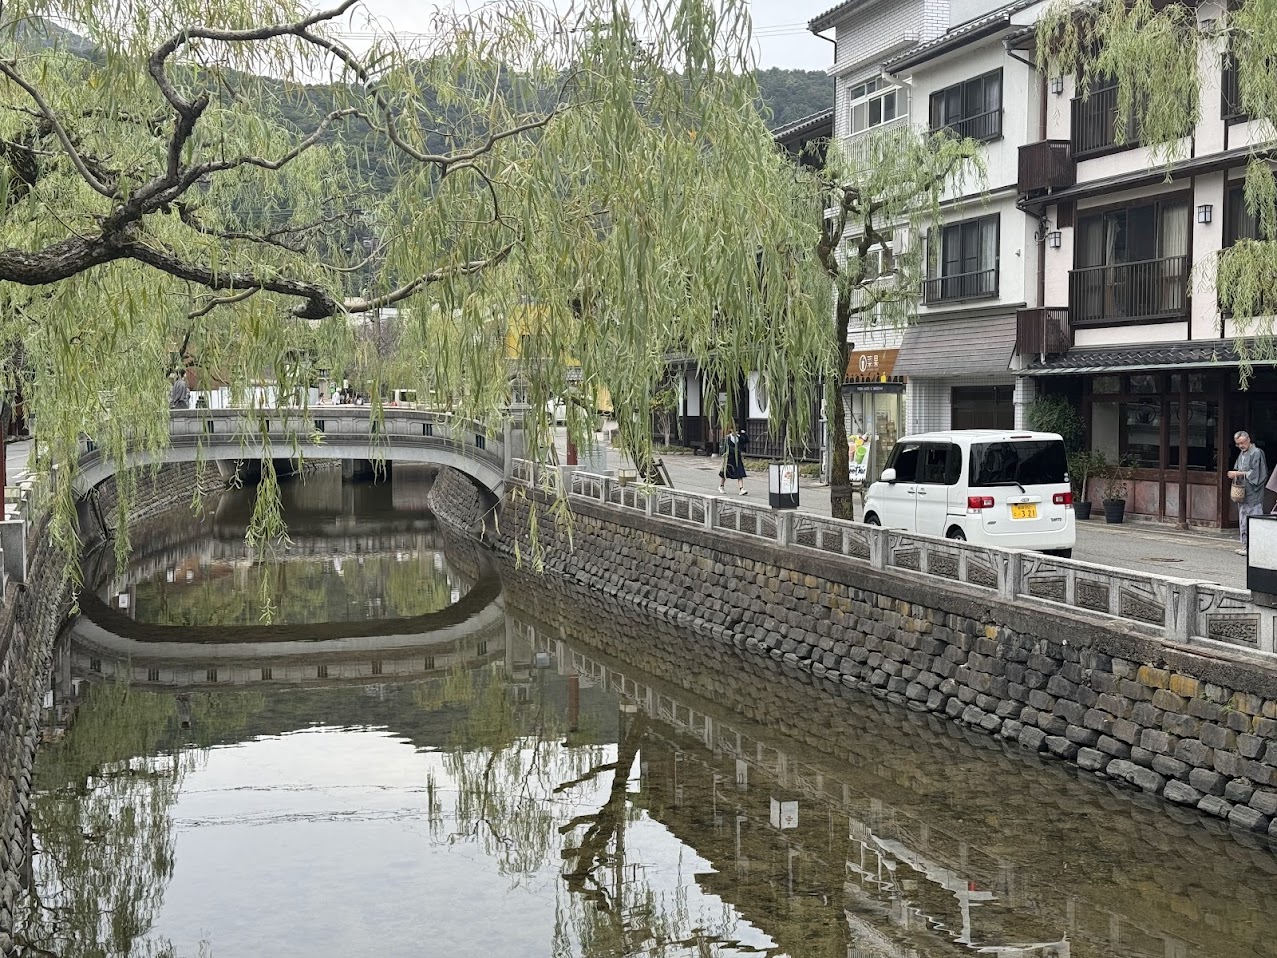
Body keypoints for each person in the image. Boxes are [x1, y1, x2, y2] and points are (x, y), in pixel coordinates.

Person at [1228, 430, 1267, 555]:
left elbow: (1257, 474)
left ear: (1249, 439)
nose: (1240, 446)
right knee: (1243, 518)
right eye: (1238, 444)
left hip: (1253, 492)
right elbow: (1239, 468)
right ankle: (1246, 545)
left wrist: (1238, 474)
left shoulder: (1256, 453)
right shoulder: (1242, 454)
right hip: (1244, 491)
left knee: (1253, 517)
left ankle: (1254, 547)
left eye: (1242, 443)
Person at [719, 426, 748, 495]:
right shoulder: (727, 438)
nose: (735, 432)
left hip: (737, 458)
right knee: (725, 473)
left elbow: (746, 441)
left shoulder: (739, 437)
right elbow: (724, 448)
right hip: (729, 458)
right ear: (730, 430)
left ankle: (741, 489)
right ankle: (721, 486)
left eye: (736, 430)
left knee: (739, 473)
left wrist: (743, 434)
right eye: (733, 430)